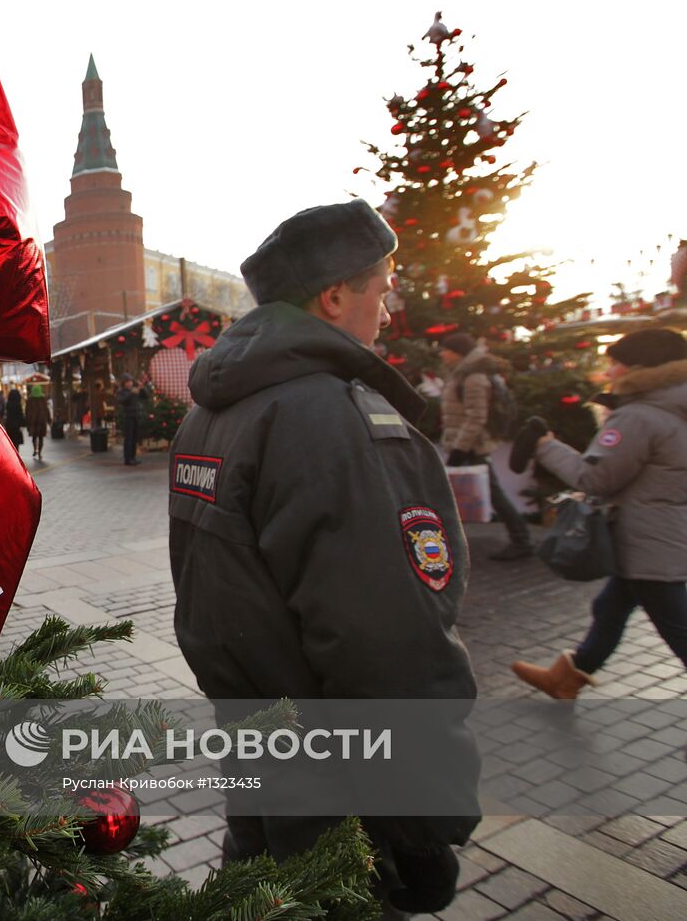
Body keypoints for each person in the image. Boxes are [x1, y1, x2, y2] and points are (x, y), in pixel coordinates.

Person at [169, 200, 479, 917]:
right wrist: (425, 822)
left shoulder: (213, 409)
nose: (388, 303)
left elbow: (205, 592)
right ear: (336, 296)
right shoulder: (332, 417)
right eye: (381, 285)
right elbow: (387, 637)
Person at [510, 328, 687, 698]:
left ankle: (567, 678)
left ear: (643, 368)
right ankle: (567, 678)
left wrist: (545, 446)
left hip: (648, 541)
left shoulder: (639, 417)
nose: (608, 374)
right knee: (610, 606)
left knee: (677, 627)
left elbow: (595, 477)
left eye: (616, 365)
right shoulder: (675, 408)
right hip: (662, 533)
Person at [438, 332, 533, 560]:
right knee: (481, 491)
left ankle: (521, 540)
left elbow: (476, 417)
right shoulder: (463, 374)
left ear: (457, 353)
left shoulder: (473, 378)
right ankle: (519, 538)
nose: (442, 354)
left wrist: (460, 448)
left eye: (446, 350)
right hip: (467, 444)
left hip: (472, 446)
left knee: (491, 492)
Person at [113, 374, 151, 465]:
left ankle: (133, 457)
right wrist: (131, 393)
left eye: (130, 381)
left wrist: (142, 388)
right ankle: (127, 458)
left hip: (136, 416)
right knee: (128, 439)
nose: (129, 383)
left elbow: (146, 396)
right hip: (128, 417)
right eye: (127, 382)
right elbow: (123, 401)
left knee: (135, 438)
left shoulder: (135, 390)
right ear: (124, 383)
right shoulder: (121, 391)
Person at [24, 383, 51, 459]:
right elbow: (47, 410)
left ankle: (35, 449)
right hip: (42, 421)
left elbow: (27, 411)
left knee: (34, 437)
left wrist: (27, 421)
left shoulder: (29, 400)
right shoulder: (43, 399)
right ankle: (39, 452)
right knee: (41, 438)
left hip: (33, 421)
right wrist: (49, 420)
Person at [3, 384, 25, 452]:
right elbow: (20, 415)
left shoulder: (8, 404)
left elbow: (6, 414)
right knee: (16, 442)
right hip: (16, 426)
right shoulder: (18, 405)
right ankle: (17, 454)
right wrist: (22, 424)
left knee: (11, 442)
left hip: (9, 425)